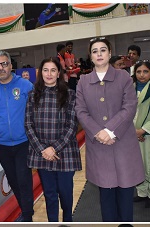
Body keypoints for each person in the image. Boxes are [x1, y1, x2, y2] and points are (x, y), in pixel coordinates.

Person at [74, 37, 145, 222]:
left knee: (125, 195)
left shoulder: (123, 77)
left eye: (103, 50)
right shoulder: (83, 81)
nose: (99, 54)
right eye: (95, 51)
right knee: (105, 195)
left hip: (123, 143)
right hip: (99, 145)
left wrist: (110, 131)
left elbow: (130, 106)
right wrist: (98, 132)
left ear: (110, 53)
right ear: (90, 56)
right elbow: (80, 110)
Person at [25, 57, 80, 222]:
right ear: (41, 73)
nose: (49, 74)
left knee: (65, 192)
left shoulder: (70, 94)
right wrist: (43, 149)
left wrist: (54, 148)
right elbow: (28, 124)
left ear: (58, 73)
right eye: (45, 70)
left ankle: (68, 220)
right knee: (49, 194)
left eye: (53, 70)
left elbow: (72, 125)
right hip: (42, 153)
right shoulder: (33, 95)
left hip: (65, 152)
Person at [0, 50, 34, 221]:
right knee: (14, 181)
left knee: (24, 180)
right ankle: (26, 211)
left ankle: (27, 216)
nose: (1, 68)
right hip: (3, 146)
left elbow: (36, 112)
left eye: (4, 64)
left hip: (24, 143)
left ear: (11, 66)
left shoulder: (26, 86)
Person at [133, 60, 150, 208]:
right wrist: (134, 132)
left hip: (147, 134)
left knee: (149, 165)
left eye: (145, 71)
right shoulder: (131, 88)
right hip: (134, 134)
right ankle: (142, 193)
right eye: (138, 72)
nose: (142, 75)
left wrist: (143, 130)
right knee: (139, 165)